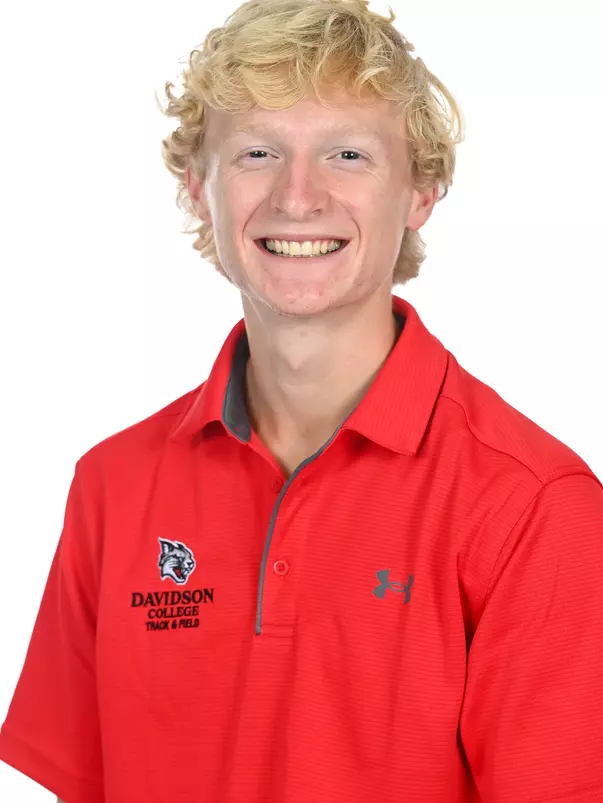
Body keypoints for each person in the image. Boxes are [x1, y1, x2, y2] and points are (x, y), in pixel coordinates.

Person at [1, 0, 602, 801]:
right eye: (255, 152)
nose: (297, 197)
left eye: (347, 154)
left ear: (421, 192)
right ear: (196, 188)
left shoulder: (532, 506)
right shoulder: (113, 485)